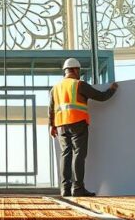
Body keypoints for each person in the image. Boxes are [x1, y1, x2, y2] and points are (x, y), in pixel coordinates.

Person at [48, 58, 118, 197]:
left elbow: (50, 109)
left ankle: (65, 189)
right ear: (75, 70)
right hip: (78, 122)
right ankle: (78, 188)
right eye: (79, 70)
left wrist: (51, 125)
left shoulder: (55, 88)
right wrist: (112, 89)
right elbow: (101, 97)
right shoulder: (79, 84)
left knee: (65, 155)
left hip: (61, 124)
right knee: (79, 154)